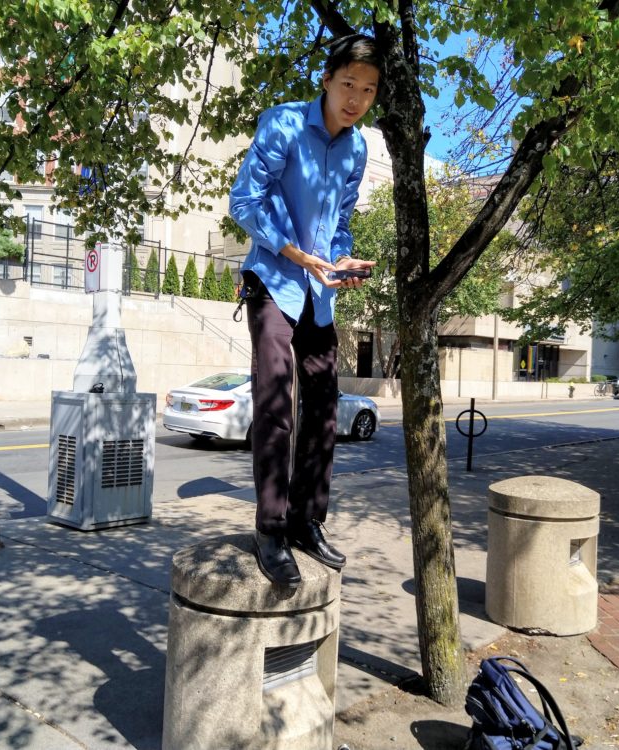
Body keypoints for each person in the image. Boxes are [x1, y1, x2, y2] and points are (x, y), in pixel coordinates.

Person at [229, 34, 380, 588]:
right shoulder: (284, 123)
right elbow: (243, 200)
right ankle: (269, 528)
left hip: (321, 290)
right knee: (275, 401)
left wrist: (340, 258)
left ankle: (305, 520)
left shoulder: (358, 148)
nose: (356, 98)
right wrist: (293, 252)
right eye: (348, 85)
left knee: (323, 404)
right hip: (273, 280)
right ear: (327, 79)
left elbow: (339, 221)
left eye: (368, 90)